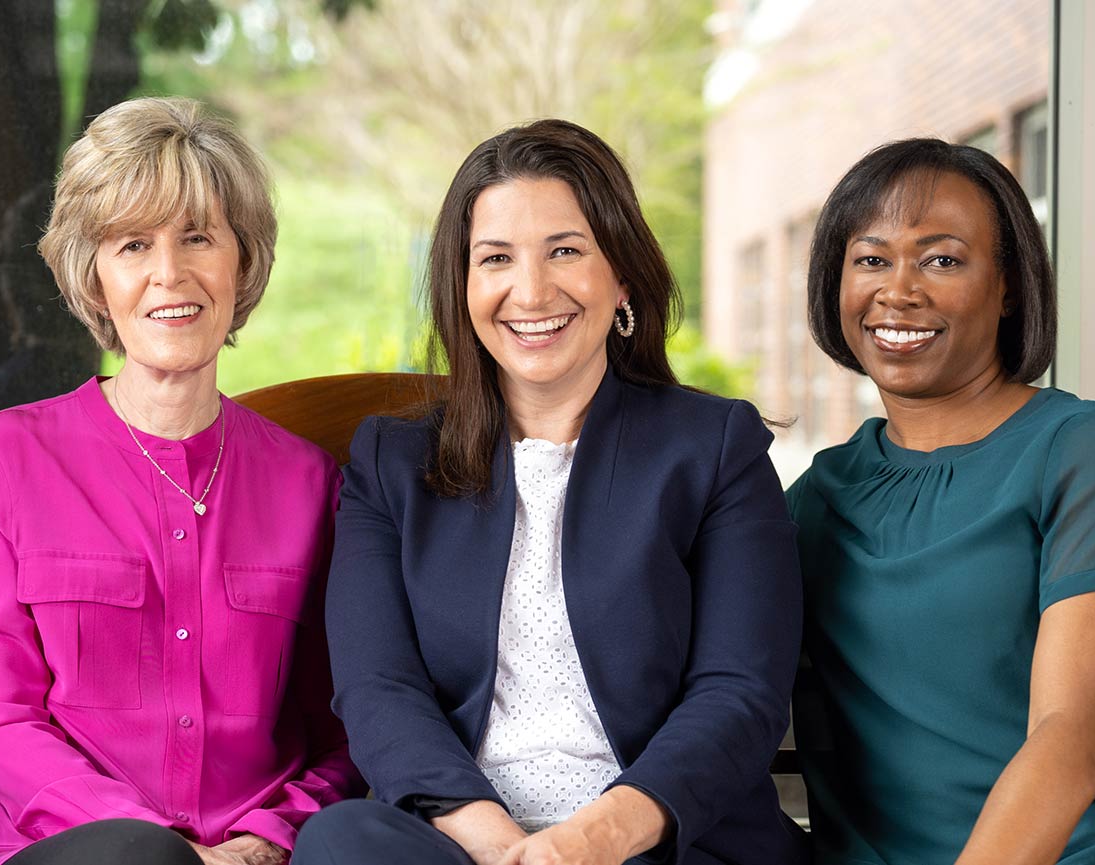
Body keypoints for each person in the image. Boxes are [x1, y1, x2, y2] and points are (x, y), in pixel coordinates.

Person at [292, 119, 807, 865]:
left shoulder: (714, 448)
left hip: (659, 842)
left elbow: (740, 693)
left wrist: (583, 843)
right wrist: (504, 846)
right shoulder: (390, 462)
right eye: (496, 258)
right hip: (464, 842)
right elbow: (379, 690)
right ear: (463, 284)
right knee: (343, 842)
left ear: (621, 273)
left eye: (565, 250)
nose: (531, 291)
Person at [0, 96, 363, 865]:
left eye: (198, 237)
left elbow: (344, 729)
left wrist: (265, 839)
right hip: (54, 851)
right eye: (133, 244)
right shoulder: (0, 461)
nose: (170, 273)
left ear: (242, 260)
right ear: (95, 276)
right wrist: (161, 850)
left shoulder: (310, 485)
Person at [787, 138, 1095, 865]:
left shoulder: (1090, 450)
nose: (899, 290)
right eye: (871, 258)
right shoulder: (815, 499)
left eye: (943, 259)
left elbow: (1070, 739)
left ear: (1008, 288)